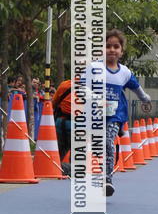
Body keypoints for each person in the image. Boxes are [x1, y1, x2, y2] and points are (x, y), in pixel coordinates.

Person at [83, 29, 152, 197]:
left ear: (121, 51)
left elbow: (136, 87)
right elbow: (82, 87)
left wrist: (145, 98)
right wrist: (94, 98)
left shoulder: (125, 72)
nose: (112, 50)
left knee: (108, 142)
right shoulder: (94, 68)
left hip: (116, 115)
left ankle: (107, 180)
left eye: (116, 46)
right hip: (95, 116)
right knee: (99, 146)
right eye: (108, 46)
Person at [52, 78, 72, 174]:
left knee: (59, 150)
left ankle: (54, 169)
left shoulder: (64, 85)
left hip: (60, 122)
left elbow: (54, 102)